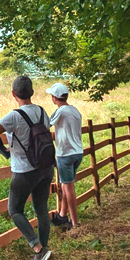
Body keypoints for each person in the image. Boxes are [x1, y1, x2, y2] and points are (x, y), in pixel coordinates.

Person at [0, 75, 56, 260]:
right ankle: (42, 254)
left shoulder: (14, 116)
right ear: (32, 92)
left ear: (13, 94)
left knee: (15, 210)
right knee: (41, 210)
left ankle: (37, 246)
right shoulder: (43, 112)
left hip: (25, 171)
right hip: (45, 167)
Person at [47, 82, 84, 229]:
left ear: (55, 98)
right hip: (77, 152)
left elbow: (46, 125)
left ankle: (75, 223)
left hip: (65, 153)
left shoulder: (60, 111)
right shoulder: (75, 110)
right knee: (66, 184)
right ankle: (62, 215)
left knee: (68, 188)